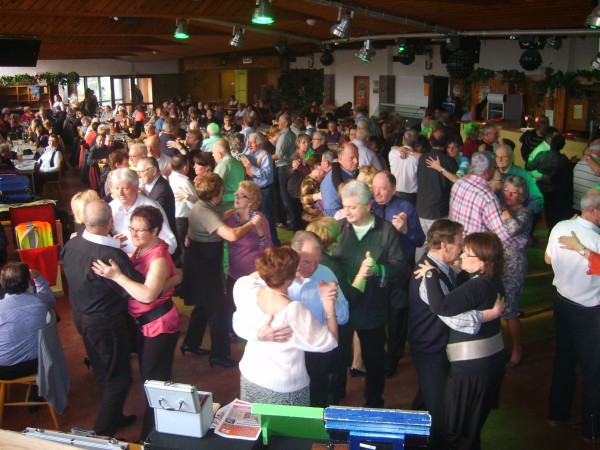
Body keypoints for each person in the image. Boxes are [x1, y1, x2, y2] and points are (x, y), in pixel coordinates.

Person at [91, 205, 181, 441]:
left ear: (155, 231)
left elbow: (148, 295)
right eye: (132, 228)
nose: (134, 234)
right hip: (146, 325)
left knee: (154, 383)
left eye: (140, 231)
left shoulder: (158, 257)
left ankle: (150, 437)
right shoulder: (141, 250)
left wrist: (117, 276)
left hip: (159, 324)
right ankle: (158, 428)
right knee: (152, 378)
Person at [415, 232, 506, 450]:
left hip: (471, 368)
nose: (461, 257)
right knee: (470, 427)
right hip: (489, 363)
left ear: (484, 262)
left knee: (456, 428)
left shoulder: (478, 286)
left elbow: (441, 306)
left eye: (468, 255)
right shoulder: (491, 280)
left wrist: (430, 275)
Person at [61, 200, 142, 436]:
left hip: (81, 316)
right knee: (119, 378)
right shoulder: (110, 255)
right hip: (105, 322)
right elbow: (134, 288)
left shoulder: (73, 244)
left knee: (102, 369)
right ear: (110, 222)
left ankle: (114, 417)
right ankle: (102, 433)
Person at [332, 180, 410, 407]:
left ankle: (374, 401)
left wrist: (380, 269)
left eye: (352, 207)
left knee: (374, 360)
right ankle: (336, 394)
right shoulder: (340, 228)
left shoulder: (386, 231)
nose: (347, 212)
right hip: (342, 305)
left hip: (371, 307)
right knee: (338, 356)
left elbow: (402, 268)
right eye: (344, 206)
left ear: (368, 205)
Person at [233, 247, 338, 406]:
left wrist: (276, 266)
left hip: (251, 374)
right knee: (286, 429)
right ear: (290, 278)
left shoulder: (244, 288)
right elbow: (330, 341)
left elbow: (253, 276)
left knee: (255, 424)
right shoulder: (294, 311)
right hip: (282, 386)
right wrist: (328, 303)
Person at [180, 173, 261, 368]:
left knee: (202, 305)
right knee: (218, 310)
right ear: (215, 193)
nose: (225, 192)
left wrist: (229, 214)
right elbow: (232, 236)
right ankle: (219, 354)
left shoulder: (206, 206)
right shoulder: (204, 211)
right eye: (222, 190)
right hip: (203, 264)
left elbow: (216, 218)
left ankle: (191, 342)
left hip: (201, 259)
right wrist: (252, 223)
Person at [545, 187, 600, 444]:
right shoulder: (596, 241)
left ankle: (556, 414)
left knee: (564, 360)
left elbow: (547, 258)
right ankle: (592, 430)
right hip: (590, 313)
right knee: (594, 371)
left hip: (563, 303)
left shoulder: (559, 227)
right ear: (593, 210)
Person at [225, 181, 272, 339]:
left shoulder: (259, 219)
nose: (237, 197)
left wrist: (260, 233)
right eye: (236, 194)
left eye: (241, 195)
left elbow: (267, 249)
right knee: (232, 305)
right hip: (233, 272)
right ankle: (234, 332)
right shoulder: (231, 217)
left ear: (251, 201)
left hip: (252, 275)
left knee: (251, 309)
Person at [0, 263, 55, 379]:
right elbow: (50, 298)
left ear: (3, 283)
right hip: (36, 364)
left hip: (3, 369)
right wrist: (38, 276)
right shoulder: (40, 302)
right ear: (28, 282)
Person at [499, 176, 532, 368]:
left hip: (514, 265)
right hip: (497, 262)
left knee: (510, 310)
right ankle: (500, 346)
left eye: (514, 192)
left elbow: (512, 229)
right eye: (506, 191)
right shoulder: (500, 208)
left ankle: (518, 348)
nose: (508, 195)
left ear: (522, 194)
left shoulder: (525, 213)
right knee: (495, 307)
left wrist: (502, 210)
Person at [109, 168, 177, 256]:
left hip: (147, 263)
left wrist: (142, 257)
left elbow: (170, 242)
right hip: (122, 261)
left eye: (125, 188)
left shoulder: (151, 208)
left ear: (136, 187)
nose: (120, 193)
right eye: (117, 188)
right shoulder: (112, 206)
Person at [321, 143, 359, 216]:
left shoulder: (356, 173)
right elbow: (331, 213)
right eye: (351, 158)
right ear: (340, 159)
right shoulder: (330, 181)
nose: (356, 161)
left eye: (357, 157)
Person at [300, 154, 325, 223]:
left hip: (322, 216)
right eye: (322, 164)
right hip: (312, 219)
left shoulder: (323, 177)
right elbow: (303, 199)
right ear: (316, 166)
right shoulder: (308, 182)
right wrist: (317, 196)